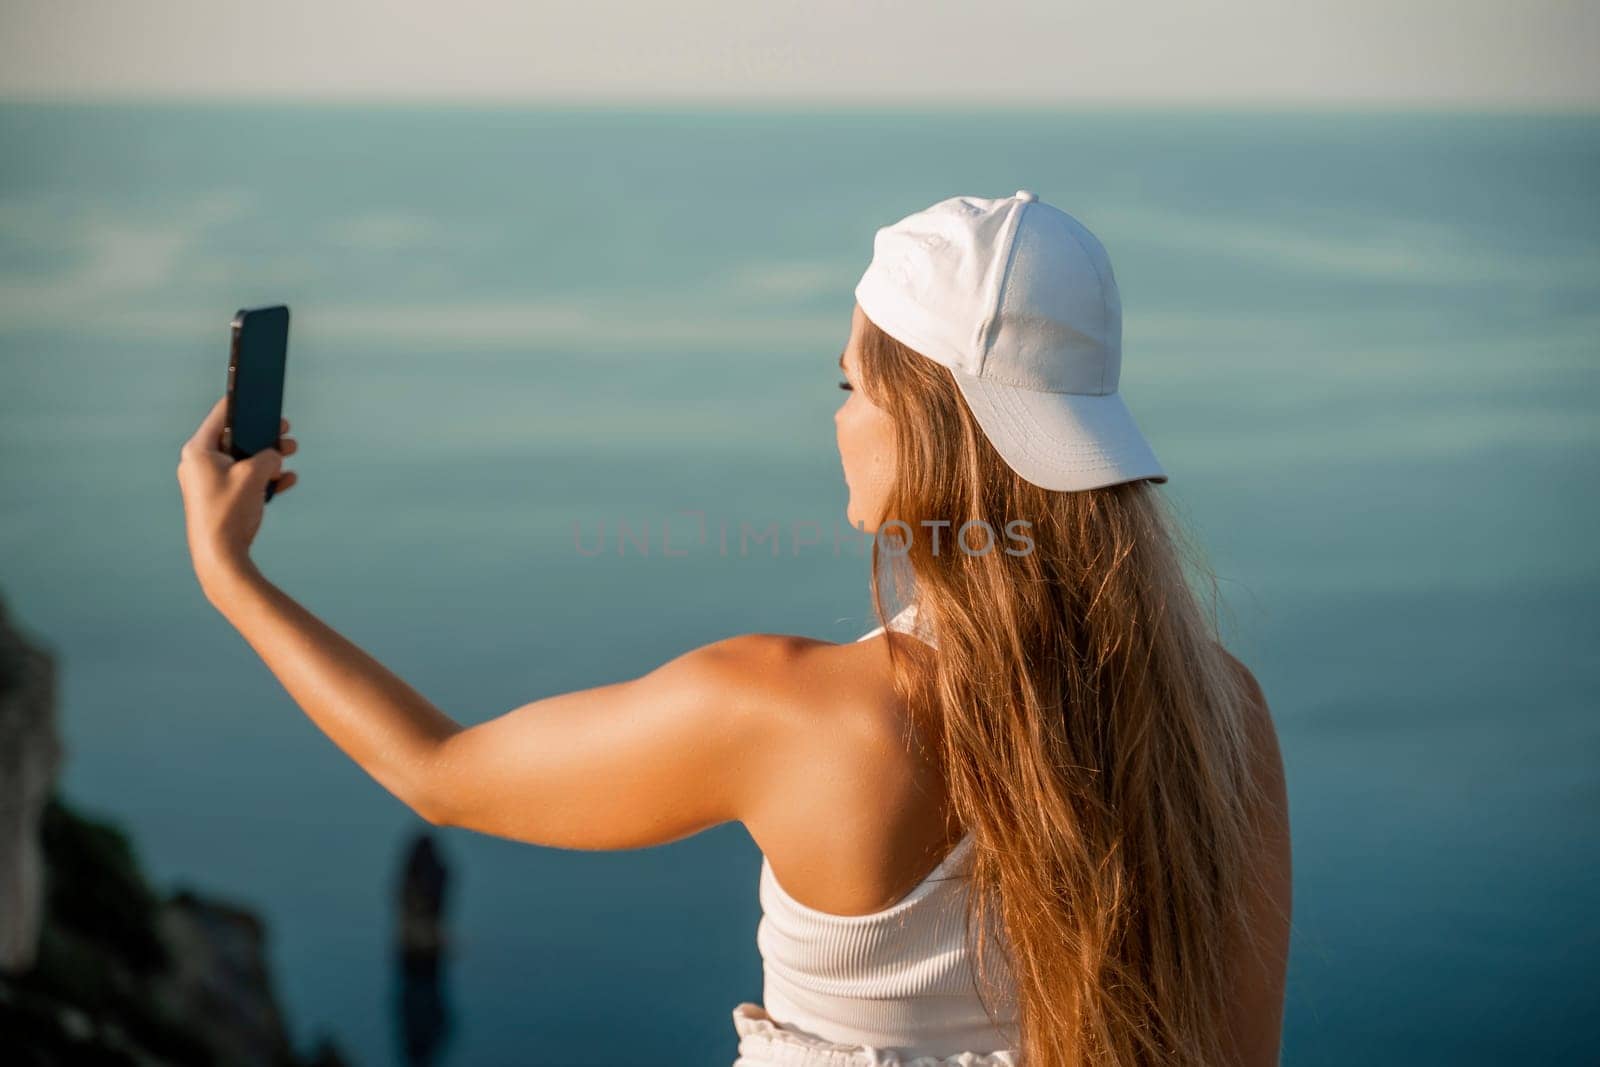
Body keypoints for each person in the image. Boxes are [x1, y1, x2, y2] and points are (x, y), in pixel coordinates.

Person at [177, 189, 1291, 1067]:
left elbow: (439, 770)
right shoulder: (1217, 715)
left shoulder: (796, 711)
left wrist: (229, 573)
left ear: (930, 424)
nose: (838, 417)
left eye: (850, 383)